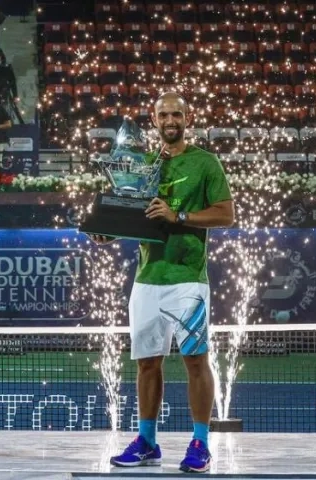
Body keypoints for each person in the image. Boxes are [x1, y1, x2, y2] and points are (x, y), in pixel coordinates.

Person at [89, 92, 234, 473]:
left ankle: (200, 443)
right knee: (147, 364)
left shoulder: (205, 162)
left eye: (177, 114)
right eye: (163, 114)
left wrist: (178, 214)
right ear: (154, 121)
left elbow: (226, 214)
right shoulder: (142, 164)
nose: (170, 120)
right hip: (147, 278)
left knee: (195, 361)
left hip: (187, 278)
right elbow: (134, 214)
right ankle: (147, 442)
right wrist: (109, 232)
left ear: (188, 118)